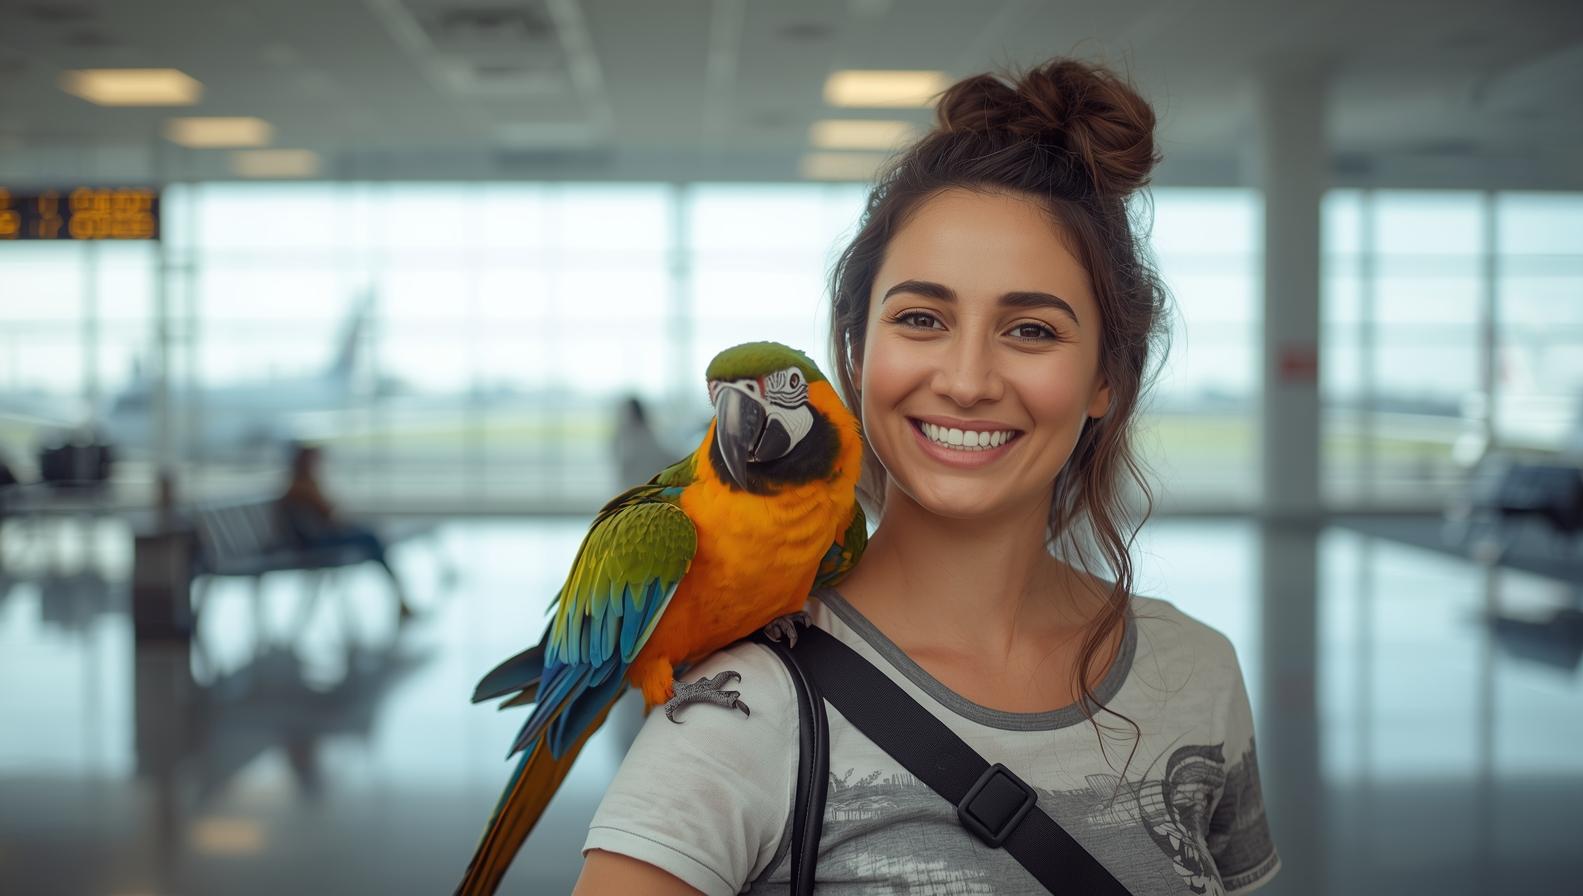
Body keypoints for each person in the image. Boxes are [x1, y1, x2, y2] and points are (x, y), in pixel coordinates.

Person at [574, 56, 1281, 895]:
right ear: (857, 355)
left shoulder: (1196, 673)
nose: (968, 378)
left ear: (1107, 380)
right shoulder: (744, 711)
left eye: (1031, 330)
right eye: (921, 318)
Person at [278, 443, 416, 621]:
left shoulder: (303, 485)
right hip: (313, 544)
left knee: (369, 537)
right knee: (371, 539)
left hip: (317, 539)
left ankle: (400, 597)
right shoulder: (301, 488)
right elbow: (328, 515)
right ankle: (400, 597)